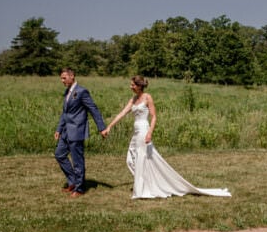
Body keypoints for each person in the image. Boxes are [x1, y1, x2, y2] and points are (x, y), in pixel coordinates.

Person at [101, 76, 231, 199]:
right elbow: (122, 114)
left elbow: (154, 117)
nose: (130, 87)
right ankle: (146, 184)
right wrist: (109, 127)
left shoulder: (147, 97)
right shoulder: (133, 99)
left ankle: (142, 189)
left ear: (139, 86)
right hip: (136, 132)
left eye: (132, 85)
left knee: (142, 159)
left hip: (144, 130)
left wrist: (149, 133)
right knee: (130, 160)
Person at [54, 68, 107, 198]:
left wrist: (102, 128)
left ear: (72, 76)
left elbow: (93, 109)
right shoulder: (67, 92)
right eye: (61, 78)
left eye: (64, 78)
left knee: (77, 161)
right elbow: (65, 113)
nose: (62, 81)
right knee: (59, 154)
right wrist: (59, 129)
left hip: (77, 131)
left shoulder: (82, 91)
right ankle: (73, 181)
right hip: (66, 131)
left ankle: (80, 188)